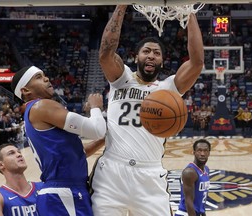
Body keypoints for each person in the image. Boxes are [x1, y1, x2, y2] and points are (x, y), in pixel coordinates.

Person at [90, 5, 204, 216]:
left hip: (150, 175)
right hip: (112, 174)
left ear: (162, 61)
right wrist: (122, 5)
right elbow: (105, 54)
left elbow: (197, 62)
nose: (151, 56)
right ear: (136, 57)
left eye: (157, 53)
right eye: (146, 51)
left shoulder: (169, 88)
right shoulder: (120, 79)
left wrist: (189, 10)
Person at [11, 66, 106, 215]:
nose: (46, 78)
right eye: (38, 77)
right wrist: (95, 107)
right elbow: (96, 130)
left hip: (64, 192)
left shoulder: (33, 113)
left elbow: (78, 152)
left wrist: (105, 138)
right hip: (64, 194)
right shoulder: (41, 105)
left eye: (44, 75)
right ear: (25, 90)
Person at [0, 143, 44, 216]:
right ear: (1, 165)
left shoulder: (43, 187)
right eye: (11, 153)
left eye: (19, 152)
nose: (19, 155)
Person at [175, 139, 211, 216]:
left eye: (205, 151)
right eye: (199, 150)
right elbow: (188, 201)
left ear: (209, 153)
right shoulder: (190, 172)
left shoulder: (206, 170)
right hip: (186, 213)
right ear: (194, 152)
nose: (202, 154)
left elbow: (201, 199)